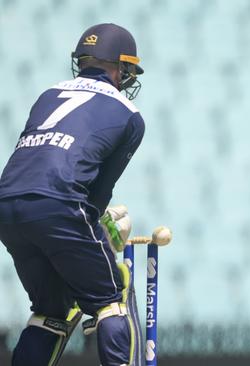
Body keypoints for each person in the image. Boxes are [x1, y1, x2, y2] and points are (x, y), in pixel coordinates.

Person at [0, 23, 145, 365]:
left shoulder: (48, 95)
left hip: (7, 206)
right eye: (128, 69)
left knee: (52, 309)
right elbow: (98, 193)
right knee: (113, 295)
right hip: (61, 205)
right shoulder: (129, 115)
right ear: (121, 67)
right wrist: (98, 228)